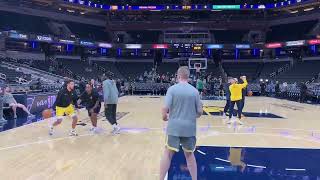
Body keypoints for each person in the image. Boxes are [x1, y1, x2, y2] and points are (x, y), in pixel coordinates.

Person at [160, 66, 203, 180]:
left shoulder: (172, 89)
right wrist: (191, 116)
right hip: (189, 128)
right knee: (189, 155)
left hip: (174, 127)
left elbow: (165, 108)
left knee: (168, 154)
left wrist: (165, 117)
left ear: (178, 76)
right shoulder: (194, 91)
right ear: (188, 77)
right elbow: (199, 112)